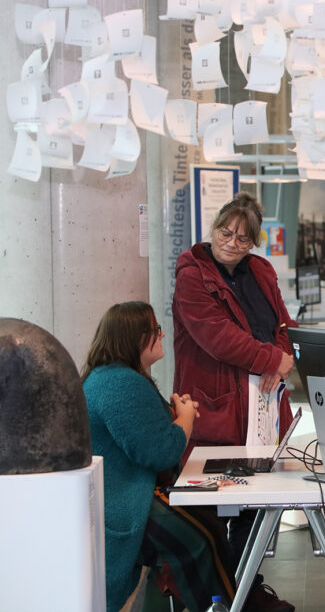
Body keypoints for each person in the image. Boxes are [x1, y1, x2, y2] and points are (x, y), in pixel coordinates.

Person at [172, 192, 296, 612]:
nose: (232, 243)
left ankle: (247, 590)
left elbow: (283, 325)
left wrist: (283, 358)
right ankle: (215, 596)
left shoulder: (261, 270)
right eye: (226, 233)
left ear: (253, 242)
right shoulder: (192, 273)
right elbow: (217, 336)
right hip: (215, 406)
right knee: (209, 509)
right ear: (214, 228)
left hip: (263, 407)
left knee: (255, 505)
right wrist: (273, 360)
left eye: (243, 239)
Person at [83, 301, 235, 612]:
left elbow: (145, 436)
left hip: (124, 497)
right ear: (136, 338)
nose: (162, 335)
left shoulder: (109, 378)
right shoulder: (120, 383)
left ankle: (230, 602)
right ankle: (226, 605)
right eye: (155, 330)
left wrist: (176, 415)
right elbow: (160, 452)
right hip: (126, 505)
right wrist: (186, 418)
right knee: (200, 537)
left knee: (207, 523)